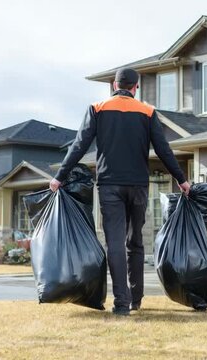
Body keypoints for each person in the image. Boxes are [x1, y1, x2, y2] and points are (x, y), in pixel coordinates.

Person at [50, 68, 190, 316]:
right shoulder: (147, 112)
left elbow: (79, 144)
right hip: (138, 186)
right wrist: (181, 179)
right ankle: (136, 298)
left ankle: (122, 304)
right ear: (136, 87)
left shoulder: (98, 108)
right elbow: (163, 150)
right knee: (135, 242)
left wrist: (60, 176)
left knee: (114, 242)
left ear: (114, 85)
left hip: (109, 186)